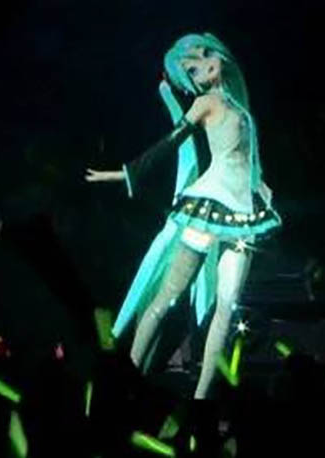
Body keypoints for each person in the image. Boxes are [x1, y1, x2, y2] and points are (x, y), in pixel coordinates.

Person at [86, 33, 281, 398]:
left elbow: (247, 157)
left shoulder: (237, 104)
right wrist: (126, 173)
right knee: (166, 298)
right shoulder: (205, 103)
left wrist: (260, 185)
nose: (204, 65)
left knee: (226, 307)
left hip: (243, 212)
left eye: (205, 55)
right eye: (192, 68)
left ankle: (202, 396)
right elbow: (170, 143)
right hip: (210, 204)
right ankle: (127, 378)